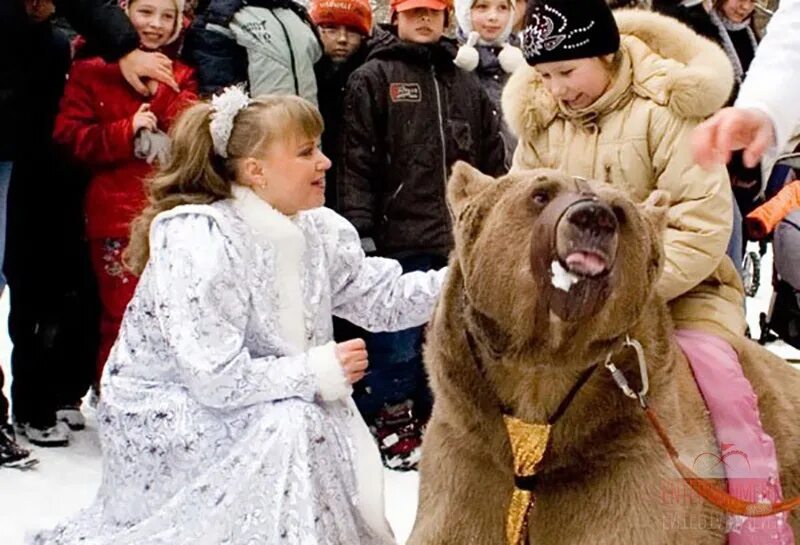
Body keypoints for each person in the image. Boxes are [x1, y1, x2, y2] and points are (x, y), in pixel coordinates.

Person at [30, 90, 446, 545]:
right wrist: (314, 369)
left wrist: (465, 281)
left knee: (304, 414)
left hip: (263, 394)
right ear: (255, 170)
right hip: (170, 406)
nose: (325, 163)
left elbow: (382, 298)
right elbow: (213, 377)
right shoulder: (202, 239)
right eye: (306, 152)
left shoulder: (317, 230)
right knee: (295, 421)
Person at [503, 0, 792, 543]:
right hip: (571, 302)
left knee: (721, 386)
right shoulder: (543, 122)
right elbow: (523, 216)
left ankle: (754, 515)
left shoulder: (664, 111)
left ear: (607, 56)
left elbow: (702, 227)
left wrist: (619, 295)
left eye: (568, 71)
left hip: (684, 292)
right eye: (544, 76)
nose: (558, 88)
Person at [338, 0, 506, 470]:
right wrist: (362, 235)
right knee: (396, 340)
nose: (424, 20)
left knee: (451, 335)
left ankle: (440, 416)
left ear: (448, 19)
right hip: (396, 238)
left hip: (455, 239)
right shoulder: (372, 78)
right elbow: (355, 165)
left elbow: (492, 162)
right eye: (415, 12)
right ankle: (392, 417)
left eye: (433, 12)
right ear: (396, 17)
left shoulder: (464, 82)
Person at [54, 0, 198, 392]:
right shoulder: (90, 72)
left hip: (169, 217)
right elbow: (71, 138)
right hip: (115, 217)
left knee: (170, 314)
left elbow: (190, 128)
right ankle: (115, 392)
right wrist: (124, 131)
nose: (155, 24)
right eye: (145, 13)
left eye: (167, 16)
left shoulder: (181, 74)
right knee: (121, 314)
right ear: (123, 13)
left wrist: (163, 94)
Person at [692, 0, 800, 171]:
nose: (745, 7)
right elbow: (793, 36)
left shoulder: (750, 33)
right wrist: (765, 106)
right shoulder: (699, 30)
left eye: (752, 1)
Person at [184, 0, 323, 103]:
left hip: (309, 135)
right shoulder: (218, 19)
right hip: (258, 137)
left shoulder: (298, 14)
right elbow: (218, 98)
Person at [310, 0, 374, 211]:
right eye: (331, 29)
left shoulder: (375, 77)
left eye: (353, 31)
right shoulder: (305, 77)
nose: (343, 39)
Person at [453, 0, 525, 165]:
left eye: (503, 8)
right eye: (482, 7)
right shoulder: (450, 65)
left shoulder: (527, 64)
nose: (493, 17)